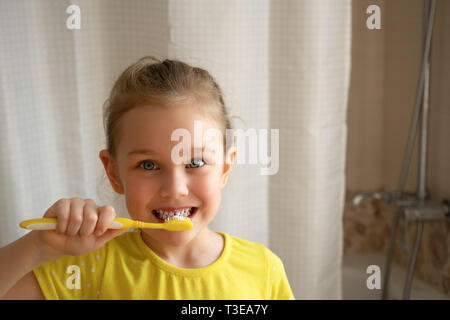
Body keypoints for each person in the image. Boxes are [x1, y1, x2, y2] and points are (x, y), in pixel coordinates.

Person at [0, 57, 294, 300]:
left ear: (225, 169)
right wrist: (39, 246)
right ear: (114, 173)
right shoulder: (88, 266)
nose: (175, 189)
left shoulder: (262, 270)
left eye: (195, 162)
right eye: (149, 165)